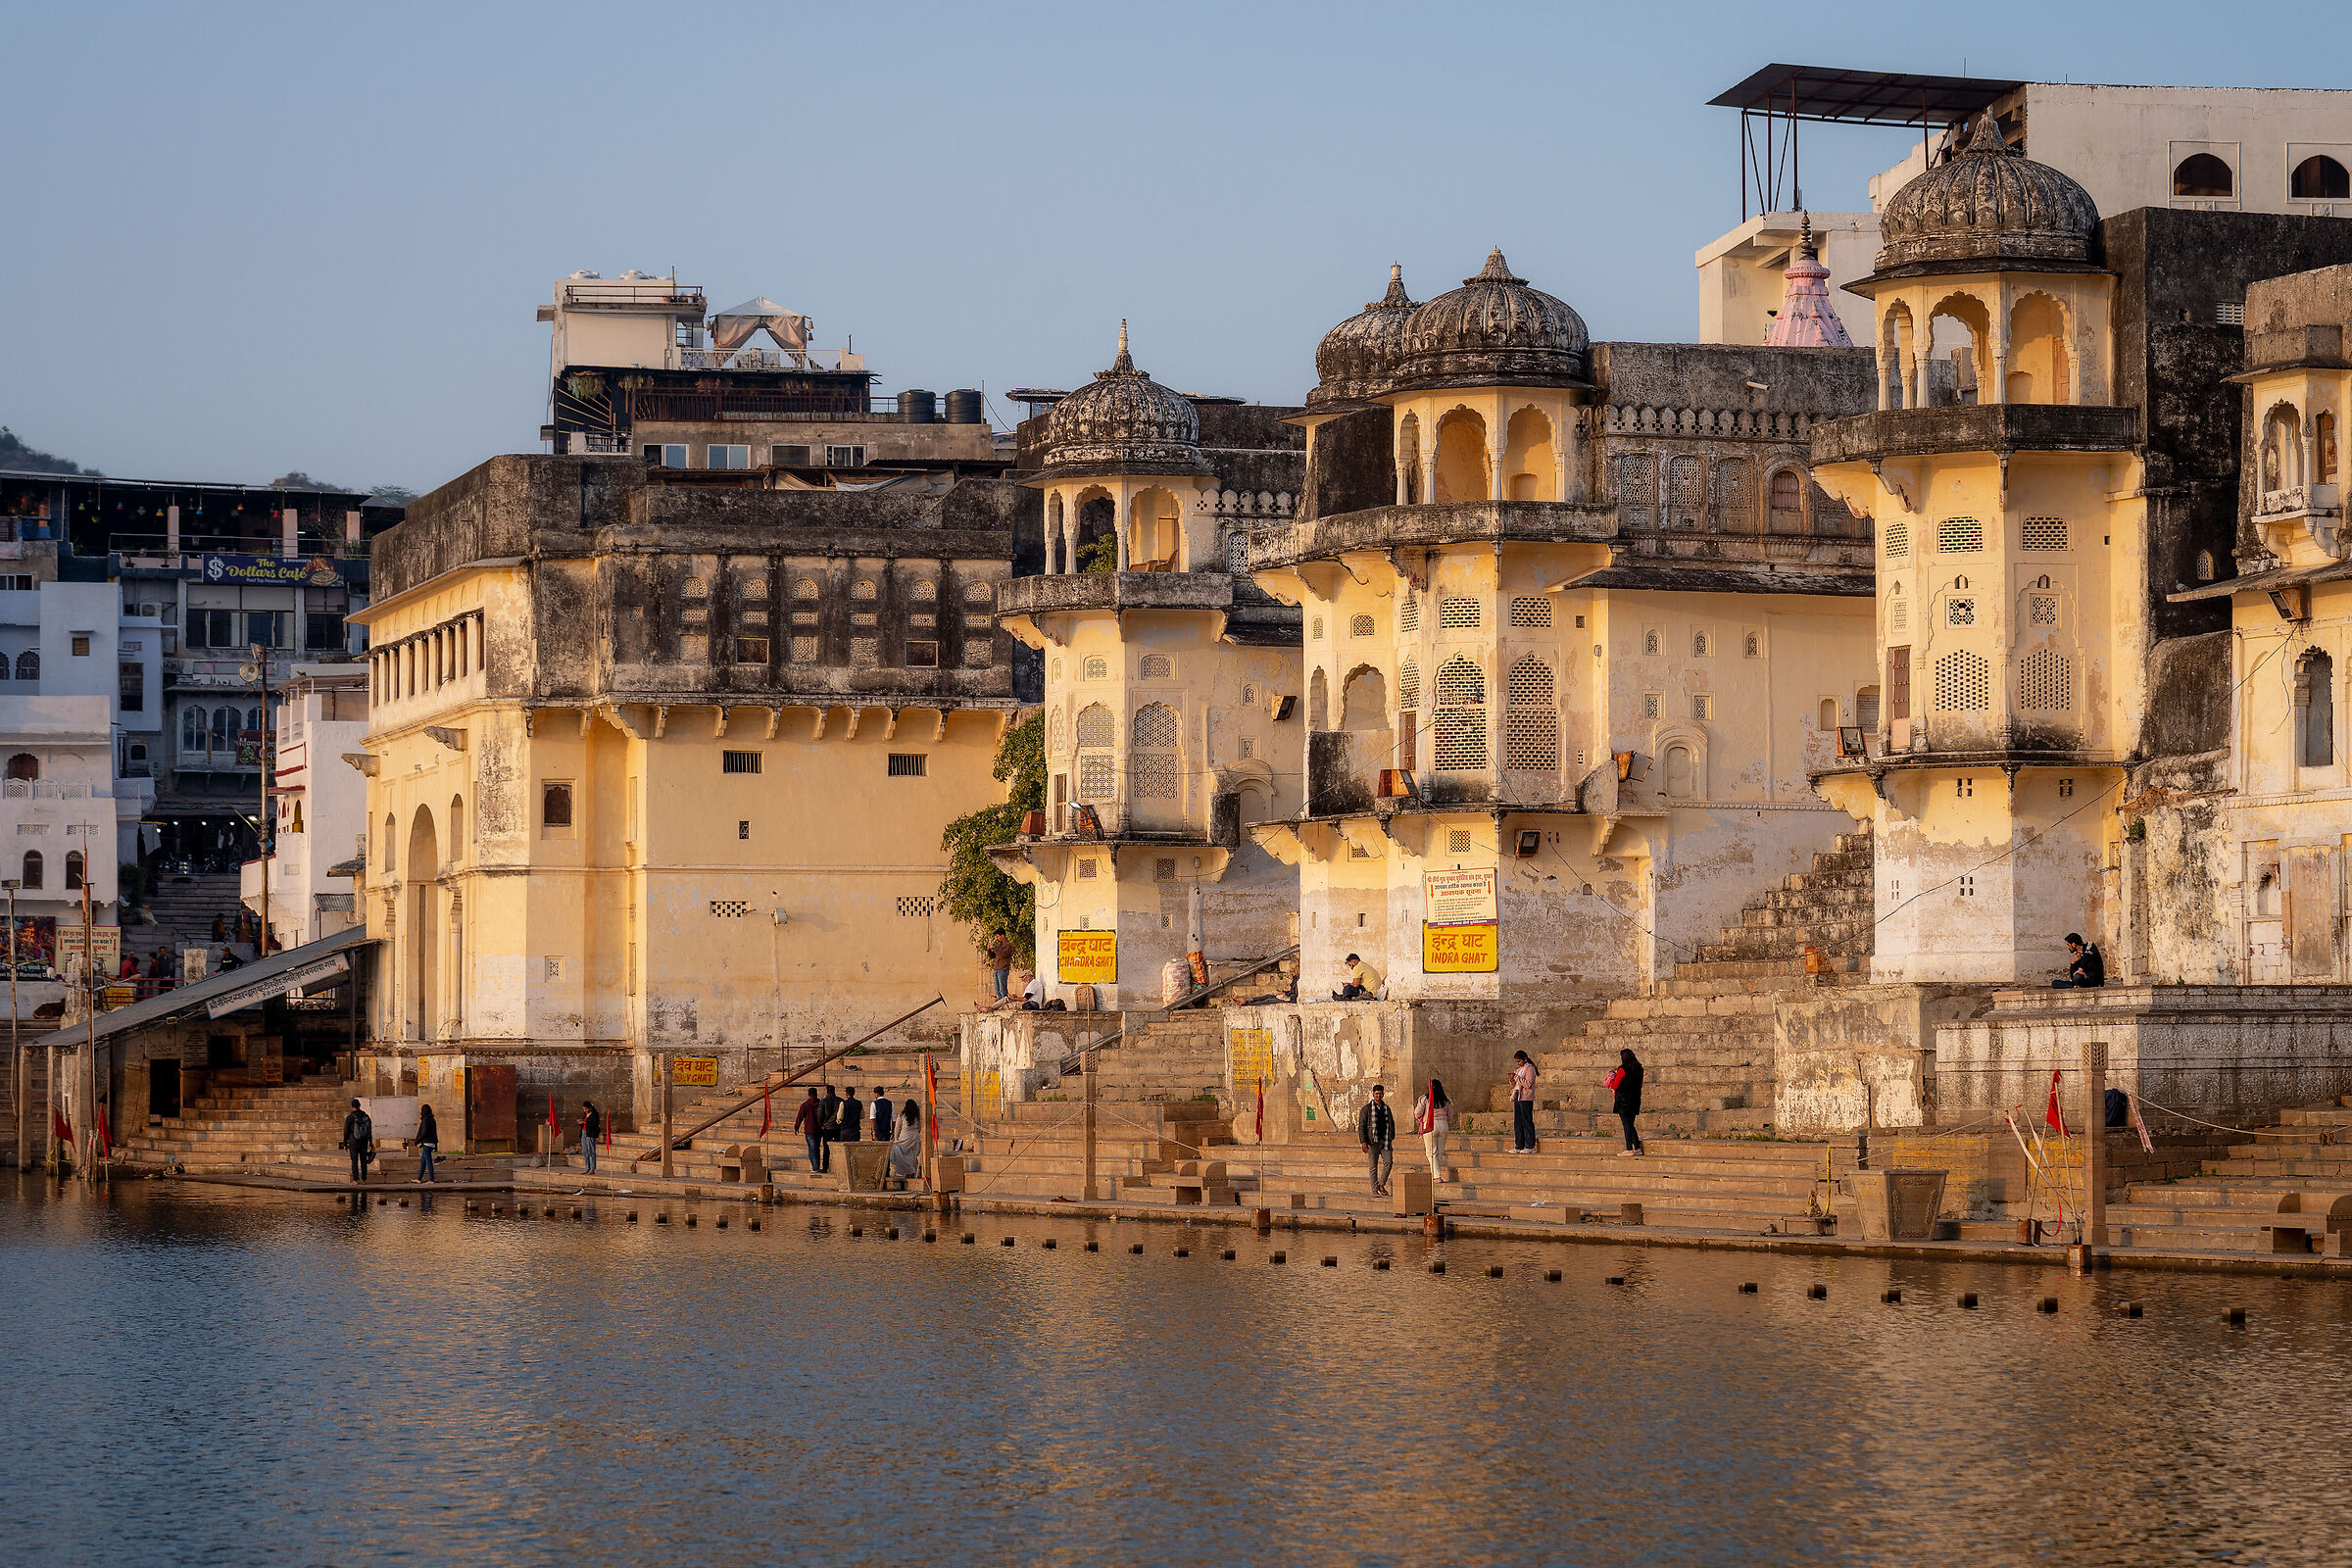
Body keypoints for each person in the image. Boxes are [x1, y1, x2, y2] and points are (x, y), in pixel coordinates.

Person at [1356, 1083, 1396, 1197]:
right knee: (1373, 1166)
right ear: (1373, 1095)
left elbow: (1391, 1123)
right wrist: (1363, 1142)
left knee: (1388, 1162)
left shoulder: (1386, 1108)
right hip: (1371, 1141)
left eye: (1380, 1093)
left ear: (1383, 1094)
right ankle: (1374, 1188)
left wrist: (1391, 1137)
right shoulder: (1366, 1109)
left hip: (1385, 1141)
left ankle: (1381, 1184)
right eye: (1376, 1094)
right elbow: (1362, 1126)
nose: (1378, 1095)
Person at [1413, 1077, 1451, 1185]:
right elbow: (1450, 1117)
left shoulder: (1424, 1098)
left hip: (1430, 1125)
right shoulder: (1446, 1101)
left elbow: (1417, 1113)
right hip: (1443, 1125)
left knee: (1431, 1152)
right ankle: (1436, 1173)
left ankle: (1436, 1176)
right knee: (1439, 1152)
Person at [1610, 1048, 1645, 1156]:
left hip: (1623, 1101)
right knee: (1630, 1124)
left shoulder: (1622, 1069)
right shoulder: (1639, 1069)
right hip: (1635, 1100)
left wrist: (1611, 1080)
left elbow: (1615, 1085)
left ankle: (1629, 1148)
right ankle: (1637, 1147)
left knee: (1626, 1124)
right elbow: (1640, 1085)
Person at [1509, 1050, 1539, 1153]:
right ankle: (1519, 1145)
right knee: (1518, 1122)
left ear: (1525, 1059)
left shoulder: (1530, 1068)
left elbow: (1528, 1084)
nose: (1518, 1063)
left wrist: (1516, 1077)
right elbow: (1516, 1086)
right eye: (1516, 1062)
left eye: (1519, 1061)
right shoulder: (1518, 1070)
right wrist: (1512, 1079)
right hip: (1517, 1095)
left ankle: (1530, 1146)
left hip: (1526, 1097)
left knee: (1527, 1121)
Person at [794, 1086, 828, 1174]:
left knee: (812, 1149)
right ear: (816, 1094)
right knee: (816, 1148)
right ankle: (817, 1166)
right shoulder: (821, 1103)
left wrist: (796, 1127)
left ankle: (815, 1167)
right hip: (820, 1129)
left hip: (809, 1130)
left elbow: (800, 1117)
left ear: (809, 1094)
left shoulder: (805, 1105)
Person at [341, 1098, 374, 1184]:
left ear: (352, 1106)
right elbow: (369, 1130)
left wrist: (345, 1143)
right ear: (359, 1105)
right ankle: (364, 1179)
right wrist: (370, 1142)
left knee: (354, 1161)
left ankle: (356, 1180)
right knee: (363, 1161)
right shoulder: (366, 1117)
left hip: (353, 1142)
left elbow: (346, 1131)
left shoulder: (350, 1118)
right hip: (364, 1141)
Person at [890, 1100, 923, 1181]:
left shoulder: (902, 1116)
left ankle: (909, 1172)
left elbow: (897, 1128)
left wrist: (896, 1138)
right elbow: (919, 1128)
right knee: (913, 1156)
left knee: (901, 1154)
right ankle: (912, 1172)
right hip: (915, 1137)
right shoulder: (917, 1117)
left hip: (904, 1137)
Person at [413, 1102, 439, 1184]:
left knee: (428, 1162)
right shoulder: (432, 1120)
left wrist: (417, 1140)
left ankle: (431, 1179)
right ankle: (419, 1179)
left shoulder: (425, 1120)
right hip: (431, 1143)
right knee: (423, 1162)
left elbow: (424, 1133)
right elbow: (434, 1133)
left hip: (427, 1144)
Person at [987, 931, 1014, 1003]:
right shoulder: (999, 946)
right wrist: (989, 949)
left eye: (998, 937)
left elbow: (1002, 955)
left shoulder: (1008, 945)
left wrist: (993, 948)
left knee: (1002, 989)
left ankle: (1004, 1003)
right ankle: (1000, 1003)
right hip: (997, 969)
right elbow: (992, 956)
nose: (997, 938)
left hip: (1003, 969)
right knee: (997, 990)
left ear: (1003, 936)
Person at [579, 1100, 602, 1175]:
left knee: (591, 1151)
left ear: (590, 1108)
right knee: (585, 1151)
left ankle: (592, 1168)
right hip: (584, 1133)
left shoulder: (595, 1115)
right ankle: (587, 1167)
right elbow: (584, 1124)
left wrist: (585, 1122)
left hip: (591, 1133)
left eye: (586, 1109)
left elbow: (594, 1125)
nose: (585, 1110)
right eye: (584, 1109)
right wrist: (581, 1123)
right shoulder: (585, 1114)